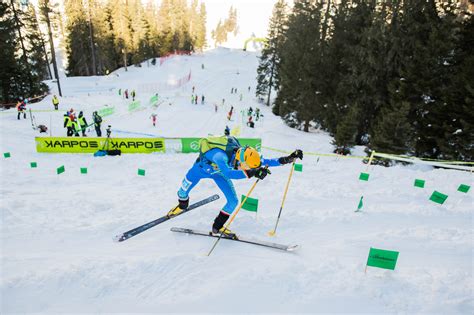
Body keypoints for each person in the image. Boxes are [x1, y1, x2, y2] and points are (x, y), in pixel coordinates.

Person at [169, 135, 303, 236]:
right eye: (245, 167)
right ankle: (182, 205)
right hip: (200, 170)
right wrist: (252, 173)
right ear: (240, 159)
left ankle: (217, 226)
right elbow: (228, 173)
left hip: (218, 173)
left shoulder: (246, 156)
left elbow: (267, 161)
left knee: (233, 201)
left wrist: (289, 158)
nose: (244, 168)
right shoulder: (220, 156)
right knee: (182, 192)